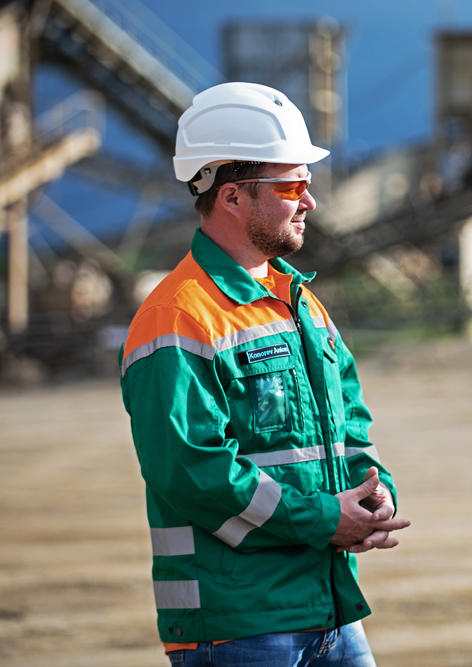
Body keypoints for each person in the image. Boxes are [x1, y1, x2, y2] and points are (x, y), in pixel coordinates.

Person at [119, 82, 410, 666]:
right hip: (237, 625)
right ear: (231, 197)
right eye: (292, 185)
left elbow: (348, 428)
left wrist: (372, 491)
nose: (310, 201)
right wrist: (330, 518)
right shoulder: (176, 317)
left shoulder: (300, 304)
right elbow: (193, 472)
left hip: (326, 607)